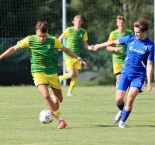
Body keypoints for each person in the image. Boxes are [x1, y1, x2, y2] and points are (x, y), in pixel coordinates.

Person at [0, 21, 87, 129]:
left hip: (52, 73)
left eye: (44, 36)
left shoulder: (53, 40)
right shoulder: (29, 40)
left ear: (47, 33)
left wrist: (79, 59)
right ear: (36, 32)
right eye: (40, 36)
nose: (41, 38)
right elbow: (13, 48)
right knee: (45, 96)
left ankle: (53, 100)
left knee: (59, 99)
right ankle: (61, 120)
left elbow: (66, 50)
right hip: (38, 73)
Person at [94, 19, 154, 128]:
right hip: (125, 73)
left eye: (138, 32)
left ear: (144, 32)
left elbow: (149, 65)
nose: (135, 34)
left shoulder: (150, 46)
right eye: (134, 31)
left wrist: (149, 82)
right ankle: (122, 111)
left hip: (138, 76)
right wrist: (99, 45)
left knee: (130, 98)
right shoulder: (130, 38)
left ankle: (122, 122)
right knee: (118, 99)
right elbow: (113, 42)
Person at [58, 15, 93, 97]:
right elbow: (60, 38)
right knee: (70, 74)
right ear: (73, 22)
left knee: (76, 74)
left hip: (77, 56)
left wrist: (89, 47)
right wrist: (59, 46)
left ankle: (69, 92)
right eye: (77, 21)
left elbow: (85, 44)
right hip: (68, 55)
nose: (78, 22)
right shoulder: (69, 30)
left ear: (81, 22)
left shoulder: (83, 32)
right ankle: (60, 78)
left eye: (80, 21)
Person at [106, 15, 133, 82]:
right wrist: (114, 49)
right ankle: (119, 91)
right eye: (119, 23)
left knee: (129, 78)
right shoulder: (113, 34)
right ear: (117, 24)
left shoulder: (130, 33)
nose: (121, 24)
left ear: (125, 23)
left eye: (122, 23)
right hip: (117, 59)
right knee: (119, 79)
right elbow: (107, 47)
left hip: (127, 59)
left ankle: (129, 92)